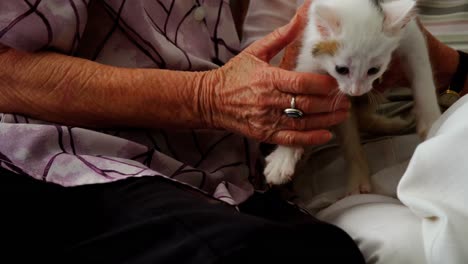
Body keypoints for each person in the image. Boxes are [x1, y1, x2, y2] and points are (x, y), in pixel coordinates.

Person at [0, 0, 465, 263]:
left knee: (328, 255)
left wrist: (451, 68)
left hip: (222, 169)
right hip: (72, 161)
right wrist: (207, 97)